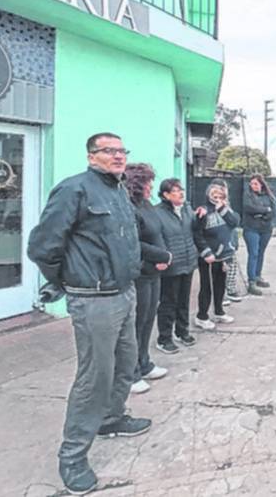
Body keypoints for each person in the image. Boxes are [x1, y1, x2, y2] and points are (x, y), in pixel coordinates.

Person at [27, 132, 150, 495]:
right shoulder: (74, 189)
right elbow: (43, 247)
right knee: (94, 377)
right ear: (91, 155)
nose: (118, 156)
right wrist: (68, 280)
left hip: (125, 292)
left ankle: (111, 419)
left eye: (122, 150)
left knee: (126, 363)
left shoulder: (118, 191)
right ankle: (73, 456)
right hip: (94, 299)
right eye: (108, 151)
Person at [125, 163, 172, 395]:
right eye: (147, 181)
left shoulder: (147, 205)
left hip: (155, 271)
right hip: (141, 271)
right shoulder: (129, 208)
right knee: (137, 321)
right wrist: (159, 256)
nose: (151, 185)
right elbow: (134, 242)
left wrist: (165, 258)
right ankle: (131, 373)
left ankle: (144, 363)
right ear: (136, 184)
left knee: (148, 318)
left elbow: (158, 233)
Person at [154, 178, 199, 354]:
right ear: (165, 195)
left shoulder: (187, 209)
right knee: (168, 302)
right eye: (176, 191)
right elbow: (157, 238)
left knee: (184, 300)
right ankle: (164, 338)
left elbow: (195, 229)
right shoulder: (157, 213)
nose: (181, 193)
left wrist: (201, 217)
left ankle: (182, 331)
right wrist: (163, 258)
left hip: (188, 261)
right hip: (171, 265)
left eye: (182, 190)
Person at [193, 182, 240, 330]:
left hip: (223, 255)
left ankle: (219, 312)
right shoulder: (203, 211)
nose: (217, 196)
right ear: (208, 194)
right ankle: (202, 316)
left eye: (220, 194)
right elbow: (197, 233)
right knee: (206, 287)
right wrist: (205, 251)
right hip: (208, 257)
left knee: (220, 285)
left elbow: (235, 223)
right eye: (214, 194)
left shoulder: (226, 210)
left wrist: (222, 209)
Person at [243, 173, 276, 296]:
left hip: (266, 229)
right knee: (254, 253)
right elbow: (249, 208)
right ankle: (251, 281)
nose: (253, 186)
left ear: (261, 184)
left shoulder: (269, 196)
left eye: (255, 183)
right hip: (251, 228)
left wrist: (263, 214)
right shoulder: (248, 195)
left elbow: (273, 210)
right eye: (251, 184)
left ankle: (258, 276)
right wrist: (265, 210)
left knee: (261, 252)